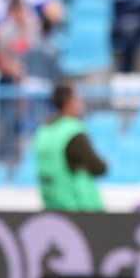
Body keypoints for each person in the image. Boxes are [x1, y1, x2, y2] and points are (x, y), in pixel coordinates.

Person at [34, 84, 107, 212]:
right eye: (78, 99)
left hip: (50, 204)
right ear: (68, 103)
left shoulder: (43, 131)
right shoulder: (72, 132)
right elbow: (99, 167)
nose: (82, 103)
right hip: (77, 208)